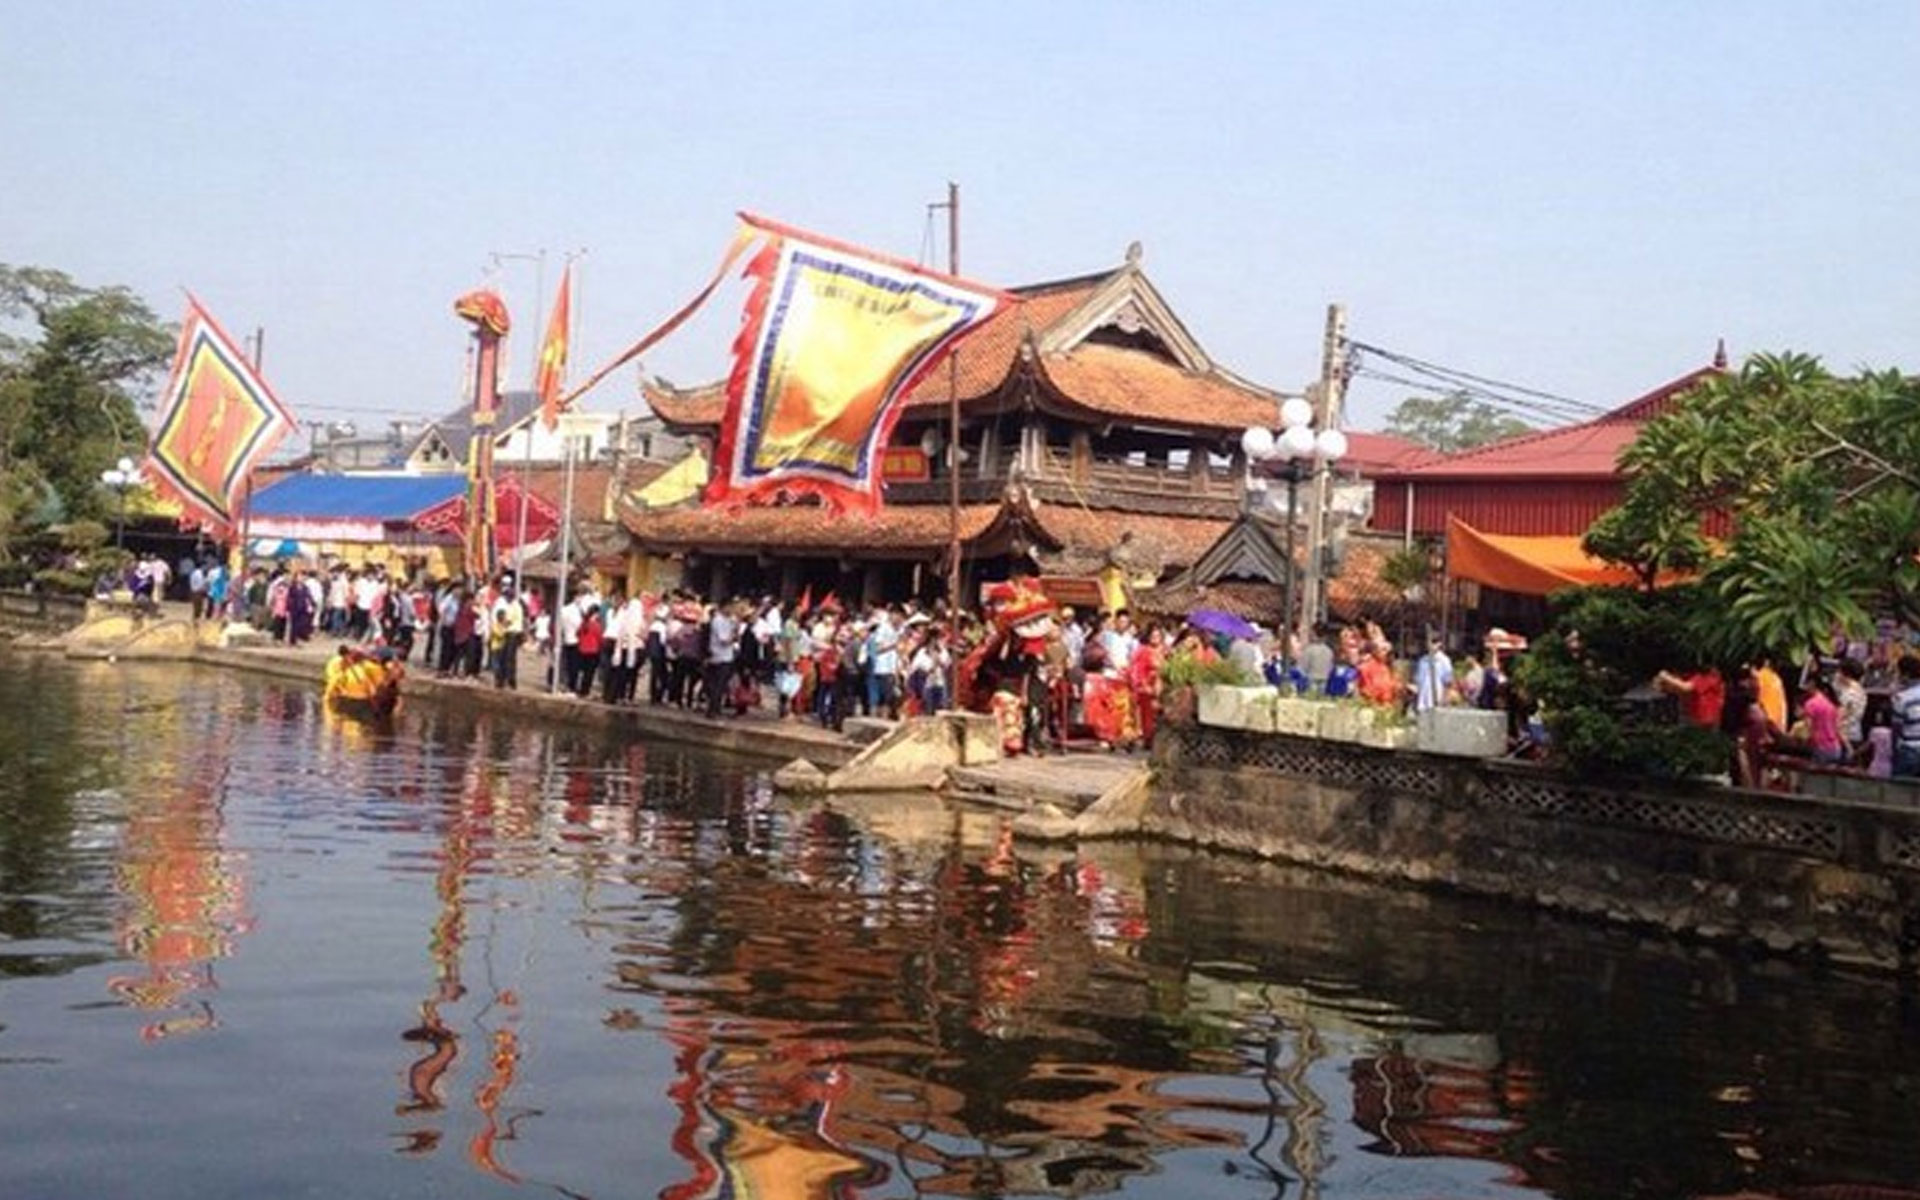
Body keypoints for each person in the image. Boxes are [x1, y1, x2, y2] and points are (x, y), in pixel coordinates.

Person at [1411, 633, 1455, 713]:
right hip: (1422, 703)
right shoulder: (1422, 661)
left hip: (1437, 701)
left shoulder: (1444, 661)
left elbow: (1448, 683)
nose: (1431, 645)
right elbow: (1418, 682)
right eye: (1429, 642)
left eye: (1434, 642)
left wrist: (1444, 700)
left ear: (1439, 644)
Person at [1892, 656, 1920, 779]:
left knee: (1899, 791)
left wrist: (1894, 750)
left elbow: (1896, 729)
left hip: (1909, 750)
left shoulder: (1901, 698)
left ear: (1906, 675)